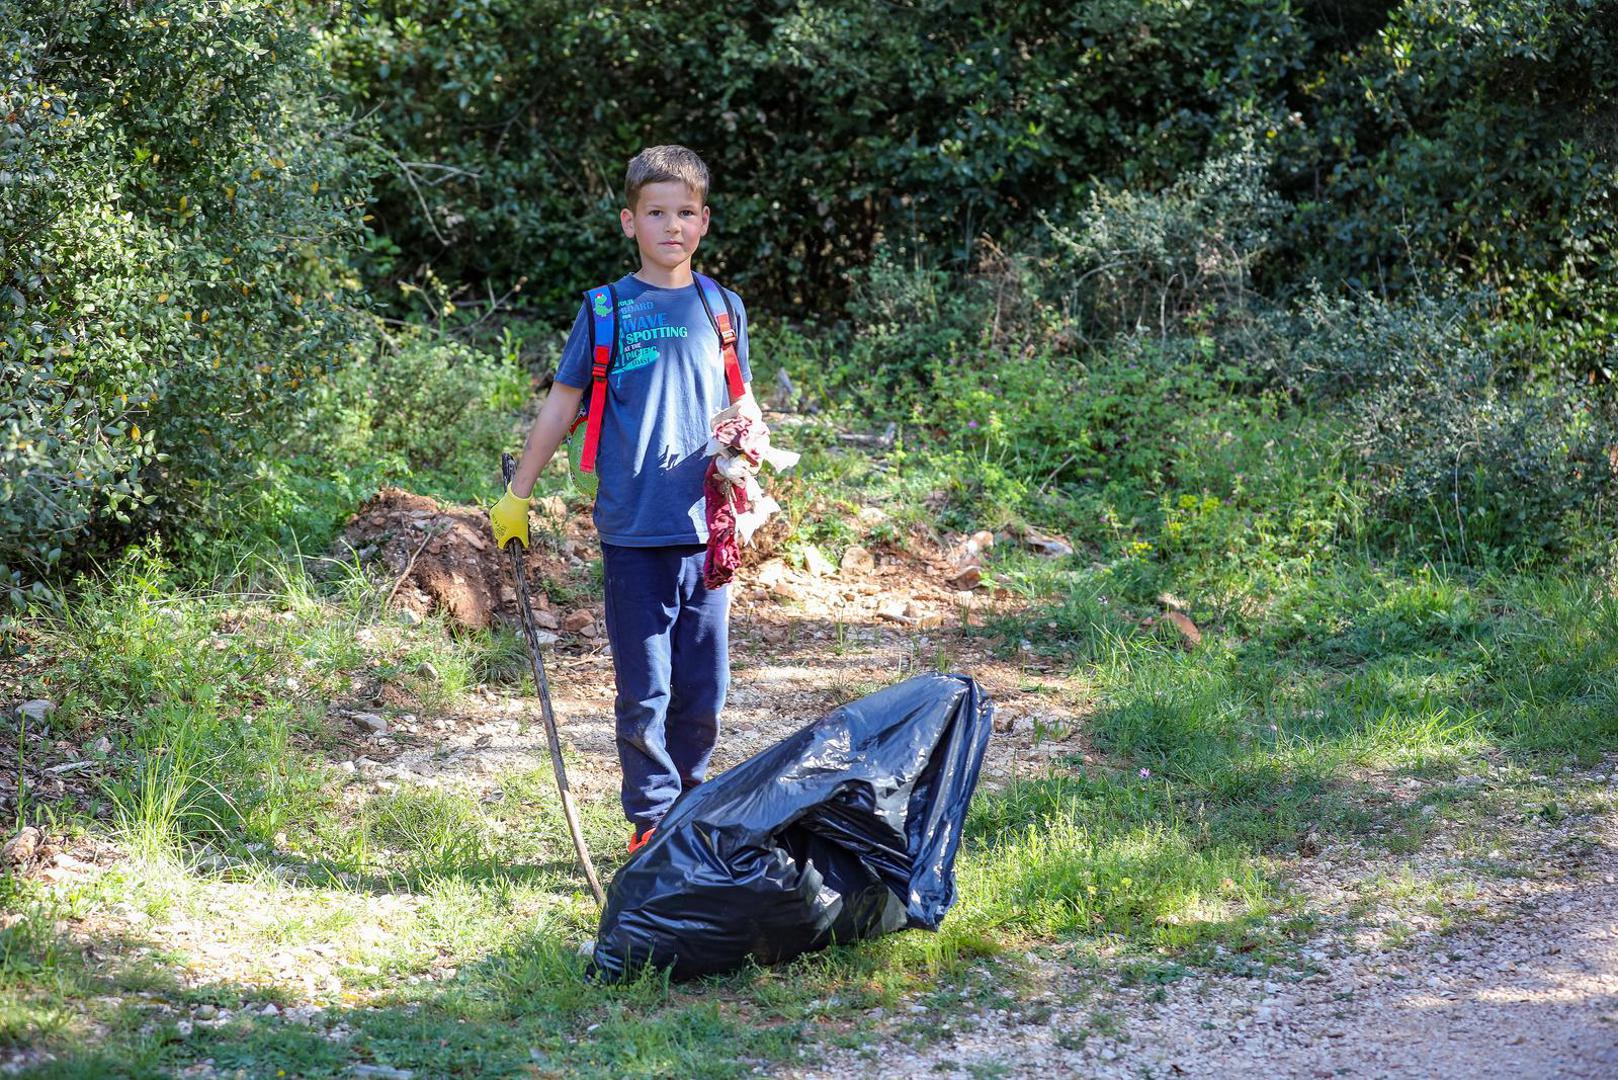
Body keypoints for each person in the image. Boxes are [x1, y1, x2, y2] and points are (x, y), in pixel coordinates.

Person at [488, 145, 754, 854]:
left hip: (707, 531)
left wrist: (748, 439)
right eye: (657, 212)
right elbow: (562, 404)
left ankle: (691, 815)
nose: (674, 226)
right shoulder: (608, 310)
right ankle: (651, 824)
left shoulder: (722, 308)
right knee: (646, 692)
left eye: (687, 212)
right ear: (629, 221)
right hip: (634, 531)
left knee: (704, 690)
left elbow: (742, 402)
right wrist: (519, 493)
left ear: (705, 221)